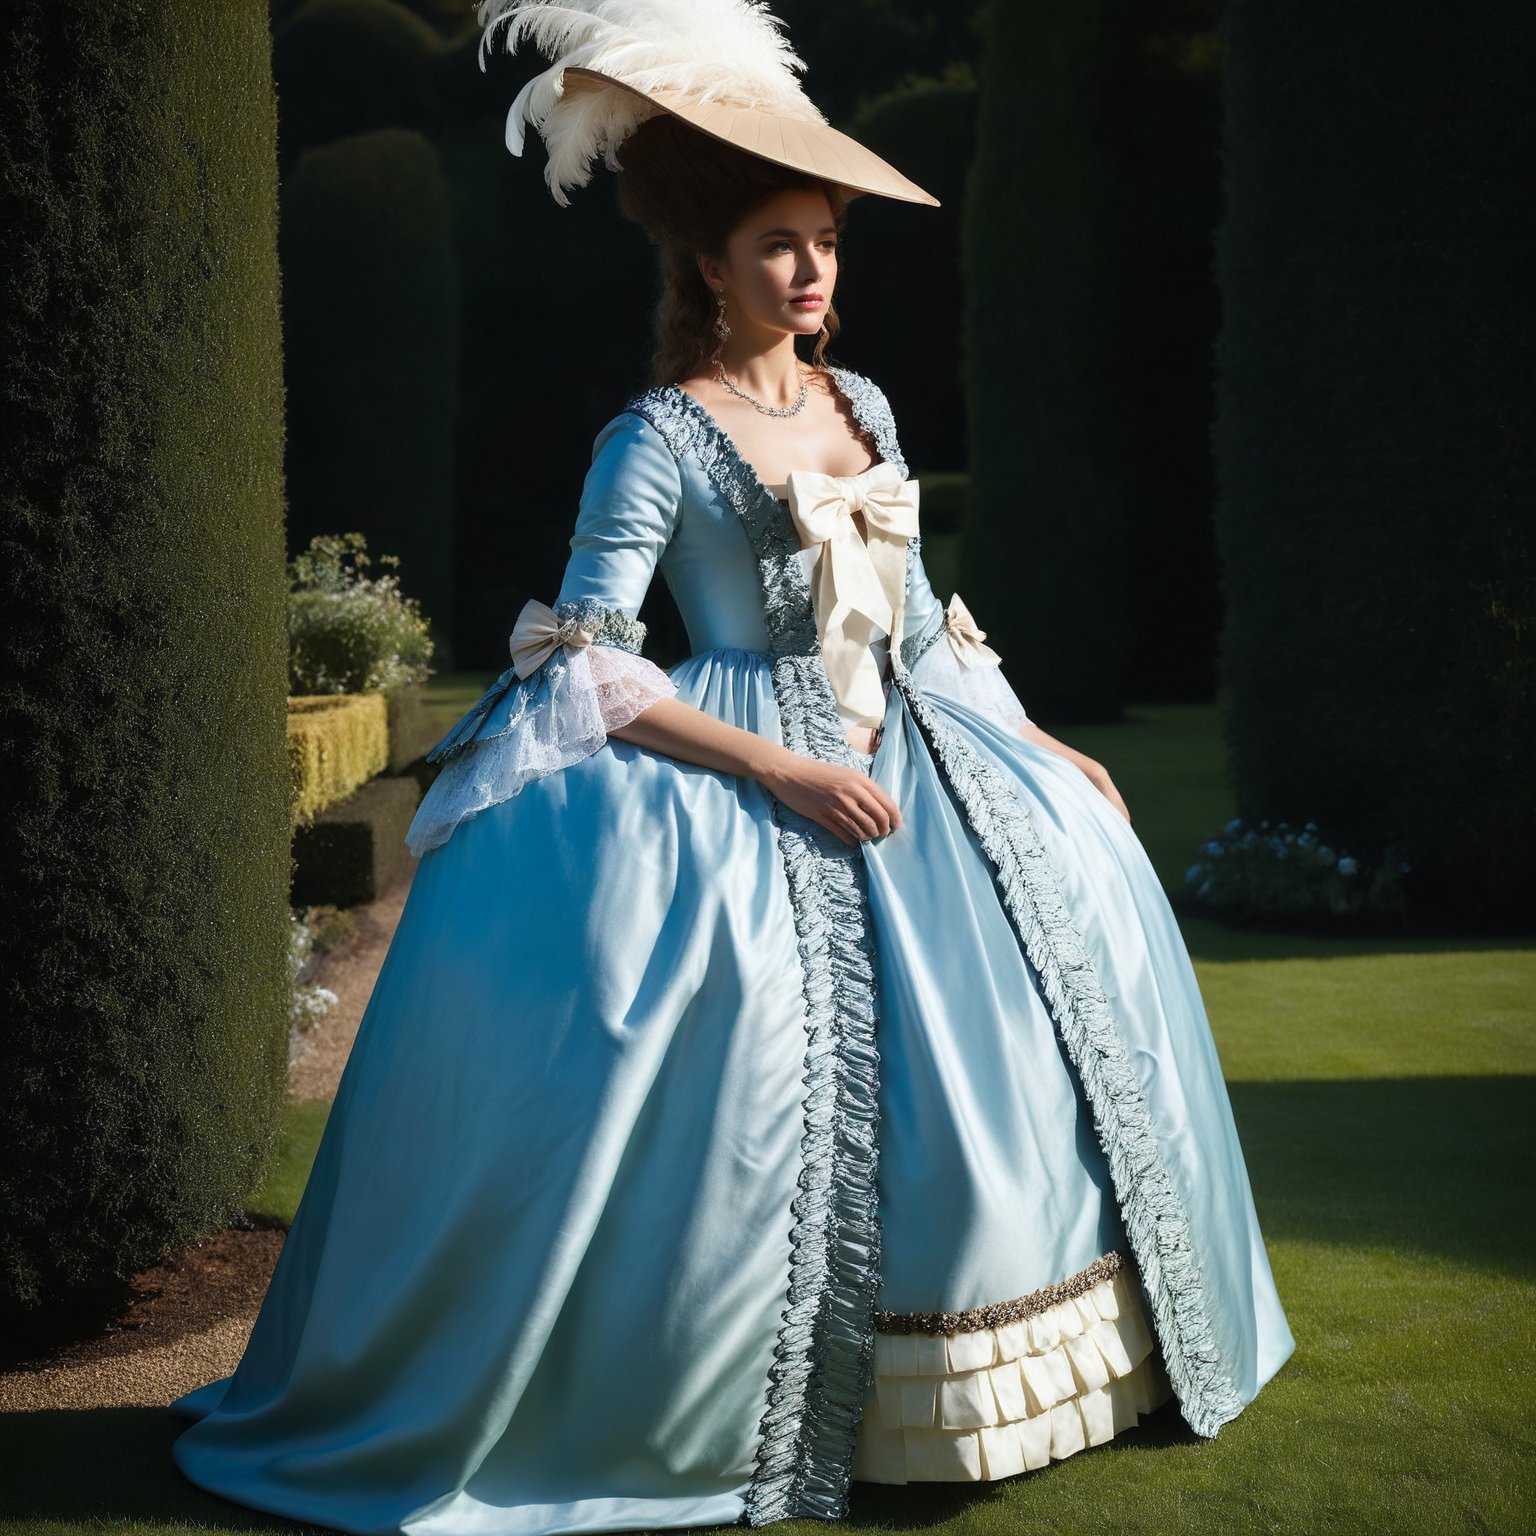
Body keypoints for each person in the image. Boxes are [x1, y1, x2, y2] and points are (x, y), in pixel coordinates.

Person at [168, 3, 1294, 1532]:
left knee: (1030, 1037)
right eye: (779, 242)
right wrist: (777, 769)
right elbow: (581, 655)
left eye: (825, 240)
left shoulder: (864, 405)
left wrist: (1037, 741)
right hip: (742, 773)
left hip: (929, 764)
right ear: (709, 262)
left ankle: (1011, 1390)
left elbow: (912, 626)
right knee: (741, 1085)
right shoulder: (659, 438)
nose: (812, 271)